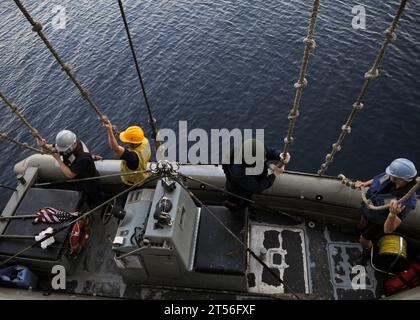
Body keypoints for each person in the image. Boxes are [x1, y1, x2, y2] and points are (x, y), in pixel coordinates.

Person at [354, 158, 418, 265]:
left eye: (391, 174)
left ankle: (367, 252)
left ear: (400, 179)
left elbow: (388, 230)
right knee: (361, 223)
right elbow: (377, 181)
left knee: (364, 239)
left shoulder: (406, 201)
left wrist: (393, 214)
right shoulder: (391, 176)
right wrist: (365, 184)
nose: (388, 175)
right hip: (368, 209)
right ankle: (360, 232)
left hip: (378, 222)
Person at [37, 130, 106, 208]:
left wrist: (58, 160)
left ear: (74, 144)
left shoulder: (83, 157)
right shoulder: (66, 145)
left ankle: (103, 206)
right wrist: (43, 145)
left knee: (97, 196)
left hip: (89, 180)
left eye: (66, 149)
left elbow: (70, 174)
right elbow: (50, 148)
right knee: (83, 193)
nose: (63, 151)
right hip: (79, 180)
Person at [222, 139, 290, 213]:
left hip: (245, 181)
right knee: (239, 203)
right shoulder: (239, 172)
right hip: (238, 192)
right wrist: (274, 175)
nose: (264, 159)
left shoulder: (251, 149)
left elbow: (268, 152)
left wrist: (279, 155)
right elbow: (257, 187)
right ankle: (238, 212)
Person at [104, 120, 151, 185]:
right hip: (142, 173)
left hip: (134, 182)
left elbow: (116, 148)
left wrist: (109, 131)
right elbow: (133, 138)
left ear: (133, 143)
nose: (126, 142)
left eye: (127, 141)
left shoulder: (132, 157)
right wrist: (117, 133)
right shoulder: (144, 141)